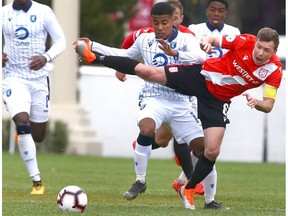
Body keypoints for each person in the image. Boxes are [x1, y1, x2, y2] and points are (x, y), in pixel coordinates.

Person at [74, 27, 283, 210]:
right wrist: (207, 42)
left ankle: (189, 189)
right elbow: (213, 40)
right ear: (255, 42)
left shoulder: (274, 70)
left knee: (212, 150)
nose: (260, 53)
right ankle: (96, 58)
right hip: (201, 76)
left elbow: (269, 104)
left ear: (274, 52)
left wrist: (257, 103)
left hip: (217, 101)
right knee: (149, 72)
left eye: (267, 50)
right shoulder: (244, 41)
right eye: (259, 47)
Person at [76, 1, 209, 203]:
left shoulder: (185, 39)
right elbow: (123, 54)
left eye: (164, 22)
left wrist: (175, 54)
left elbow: (201, 57)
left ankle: (206, 196)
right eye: (156, 23)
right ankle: (140, 180)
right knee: (146, 128)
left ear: (174, 21)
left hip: (181, 100)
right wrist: (92, 45)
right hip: (153, 96)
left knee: (203, 148)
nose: (160, 27)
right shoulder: (145, 39)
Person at [172, 0, 241, 207]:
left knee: (210, 147)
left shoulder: (233, 32)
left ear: (226, 13)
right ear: (207, 11)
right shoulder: (195, 30)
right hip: (196, 89)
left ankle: (184, 181)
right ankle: (203, 195)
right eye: (213, 9)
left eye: (221, 10)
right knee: (202, 145)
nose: (216, 13)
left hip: (218, 94)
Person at [2, 0, 66, 194]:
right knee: (22, 121)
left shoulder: (44, 11)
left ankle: (24, 136)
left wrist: (46, 57)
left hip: (39, 80)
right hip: (13, 77)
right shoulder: (3, 13)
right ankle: (37, 182)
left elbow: (61, 40)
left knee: (38, 135)